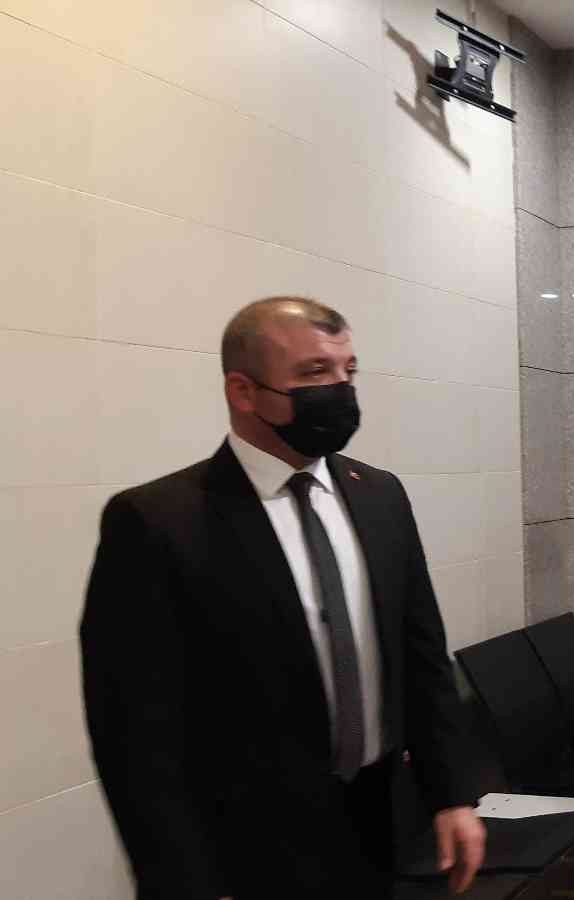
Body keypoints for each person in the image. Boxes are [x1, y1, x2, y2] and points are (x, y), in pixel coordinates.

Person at [81, 297, 486, 900]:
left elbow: (422, 656)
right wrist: (185, 880)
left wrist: (452, 795)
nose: (340, 390)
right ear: (243, 392)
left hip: (378, 825)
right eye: (314, 372)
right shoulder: (158, 521)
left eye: (348, 371)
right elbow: (133, 729)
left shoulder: (378, 495)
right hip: (244, 850)